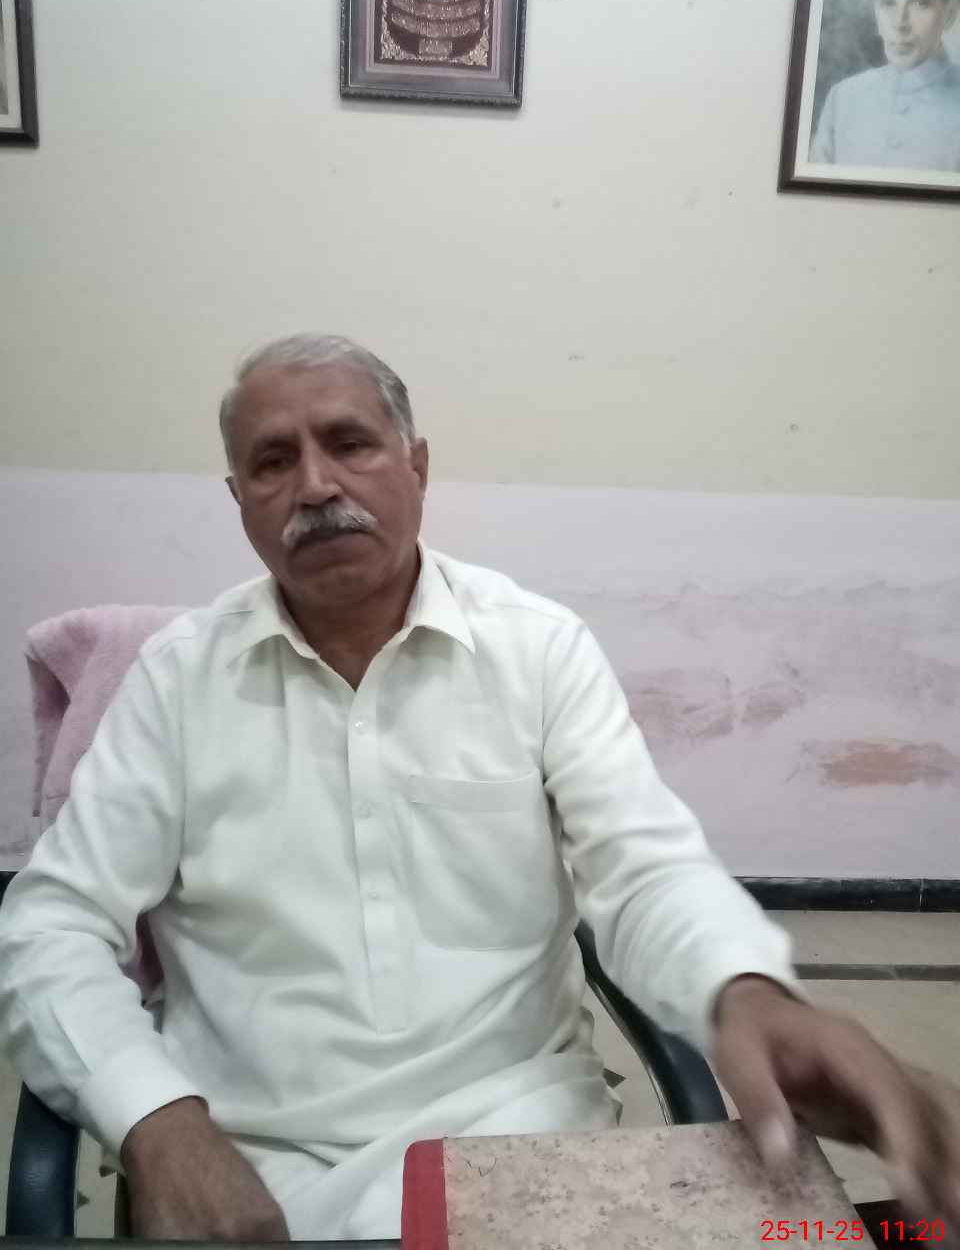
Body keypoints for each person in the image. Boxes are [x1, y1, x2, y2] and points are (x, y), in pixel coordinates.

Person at [0, 334, 958, 1242]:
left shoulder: (537, 650)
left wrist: (745, 991)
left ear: (416, 466)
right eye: (273, 462)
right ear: (238, 501)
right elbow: (53, 925)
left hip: (517, 1138)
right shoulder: (176, 681)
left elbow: (644, 870)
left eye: (349, 443)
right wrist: (157, 1120)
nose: (316, 485)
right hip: (248, 1160)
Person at [811, 0, 960, 170]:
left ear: (950, 14)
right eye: (888, 3)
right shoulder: (842, 98)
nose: (899, 24)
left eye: (920, 4)